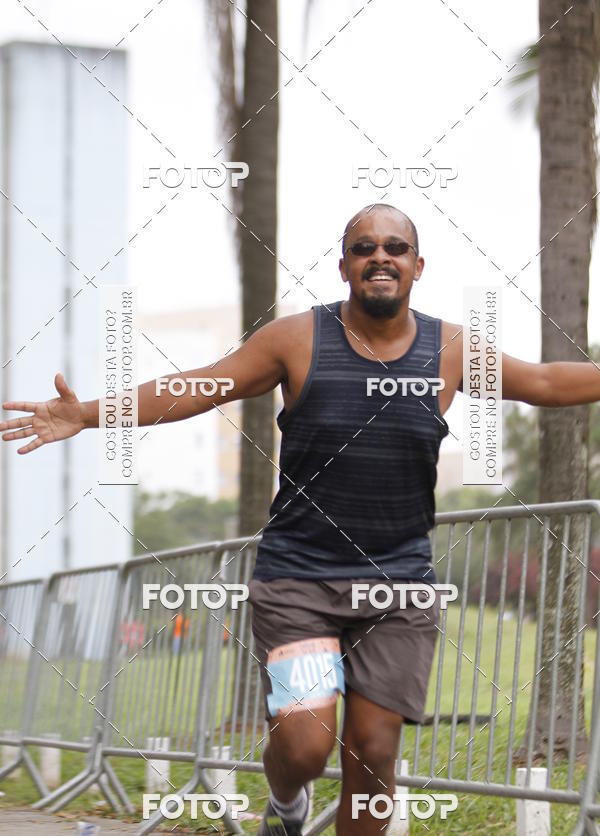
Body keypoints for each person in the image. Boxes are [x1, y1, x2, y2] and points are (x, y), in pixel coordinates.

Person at [3, 203, 600, 835]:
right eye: (364, 247)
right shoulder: (297, 339)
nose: (381, 257)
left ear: (417, 267)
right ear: (345, 264)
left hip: (397, 587)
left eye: (396, 248)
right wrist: (90, 413)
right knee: (306, 746)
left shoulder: (448, 349)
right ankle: (286, 805)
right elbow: (203, 385)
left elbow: (543, 381)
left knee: (373, 755)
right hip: (299, 584)